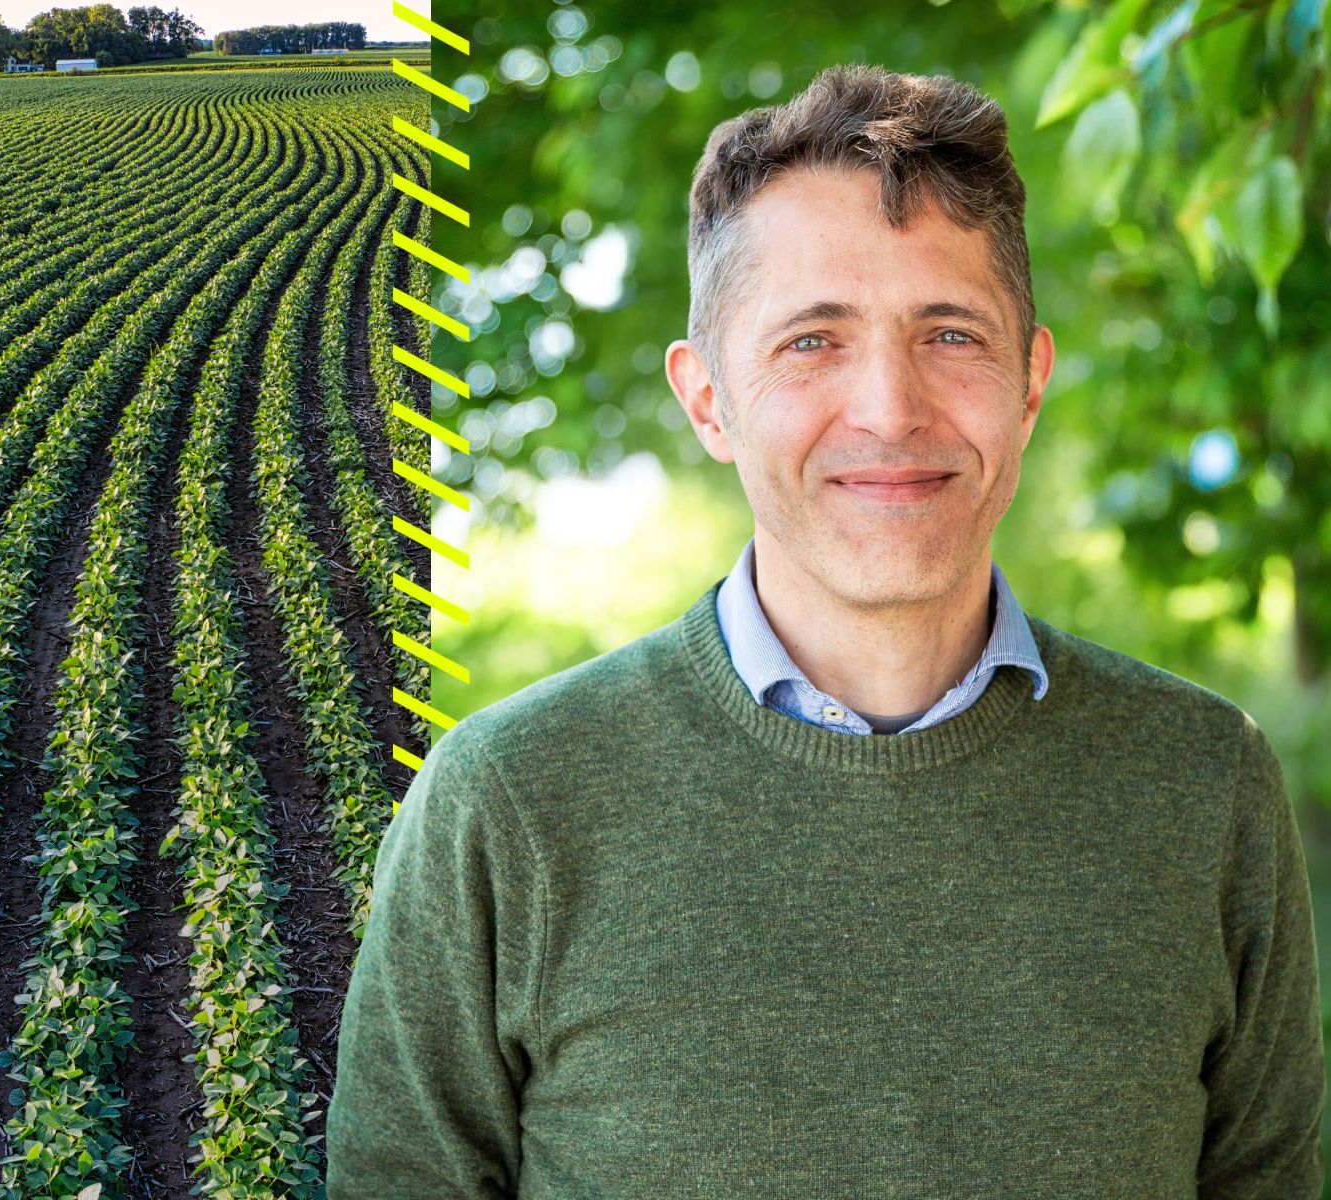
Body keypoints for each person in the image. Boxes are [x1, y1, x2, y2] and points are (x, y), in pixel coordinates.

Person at [325, 63, 1325, 1198]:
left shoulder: (1204, 784)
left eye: (952, 334)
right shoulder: (507, 804)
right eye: (812, 341)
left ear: (1031, 382)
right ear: (708, 399)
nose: (891, 410)